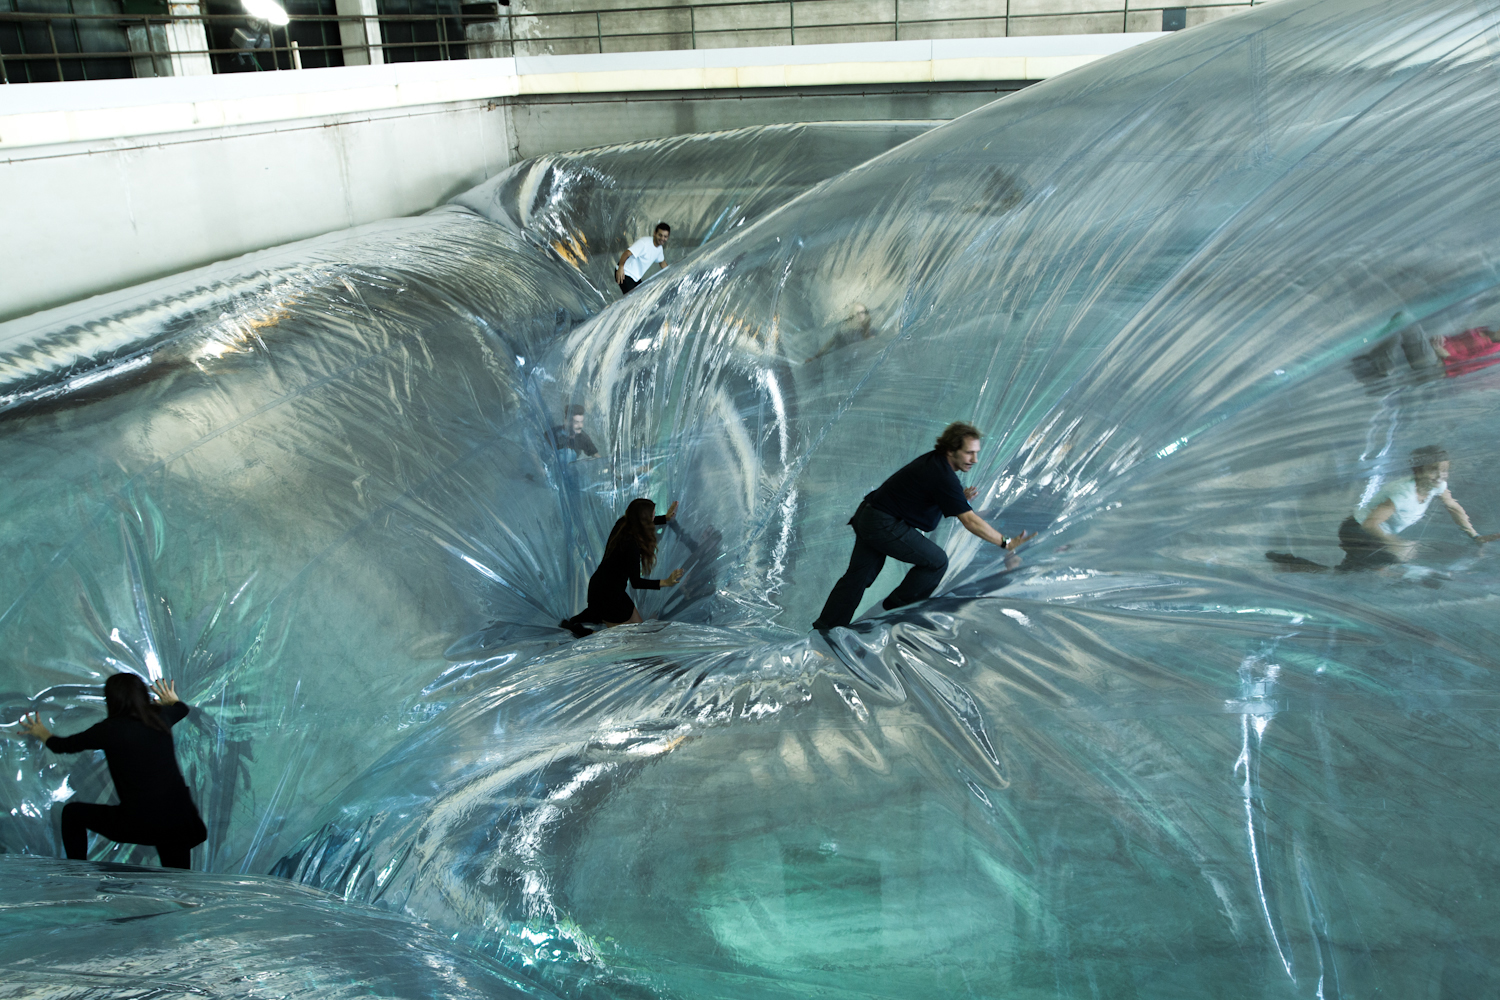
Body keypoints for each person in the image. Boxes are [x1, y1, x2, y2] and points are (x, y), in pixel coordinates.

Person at [811, 422, 1036, 631]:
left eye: (976, 452)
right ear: (951, 450)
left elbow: (932, 499)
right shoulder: (942, 475)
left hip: (869, 515)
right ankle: (892, 615)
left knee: (858, 577)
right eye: (969, 452)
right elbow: (970, 521)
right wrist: (1006, 542)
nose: (974, 459)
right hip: (881, 522)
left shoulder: (935, 464)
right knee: (936, 562)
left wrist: (960, 499)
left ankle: (825, 630)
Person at [15, 673, 208, 869]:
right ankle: (185, 900)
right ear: (143, 696)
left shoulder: (109, 730)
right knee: (180, 883)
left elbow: (63, 745)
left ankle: (76, 874)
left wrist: (42, 733)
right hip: (179, 822)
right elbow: (181, 709)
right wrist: (172, 700)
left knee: (72, 814)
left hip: (139, 822)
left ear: (112, 701)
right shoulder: (160, 717)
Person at [1267, 445, 1496, 572]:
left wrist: (1473, 534)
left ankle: (1292, 563)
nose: (1440, 475)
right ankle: (1291, 564)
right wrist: (1395, 544)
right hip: (1356, 531)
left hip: (1373, 534)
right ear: (1418, 471)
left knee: (1349, 574)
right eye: (1433, 469)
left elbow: (1453, 507)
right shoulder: (1403, 494)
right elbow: (1370, 523)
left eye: (1444, 470)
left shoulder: (1437, 486)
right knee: (1378, 570)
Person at [561, 498, 686, 636]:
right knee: (628, 644)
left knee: (640, 633)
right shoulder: (631, 545)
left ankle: (581, 627)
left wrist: (665, 518)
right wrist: (666, 582)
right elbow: (636, 582)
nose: (653, 518)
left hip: (609, 589)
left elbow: (644, 522)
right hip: (607, 597)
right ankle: (586, 633)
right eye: (653, 515)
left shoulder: (623, 524)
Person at [615, 222, 669, 295]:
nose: (662, 238)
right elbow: (626, 253)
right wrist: (621, 268)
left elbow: (662, 263)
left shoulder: (659, 249)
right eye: (660, 235)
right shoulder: (644, 243)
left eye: (665, 236)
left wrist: (673, 273)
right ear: (655, 233)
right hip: (626, 273)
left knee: (640, 297)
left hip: (635, 278)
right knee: (631, 300)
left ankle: (613, 306)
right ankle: (612, 306)